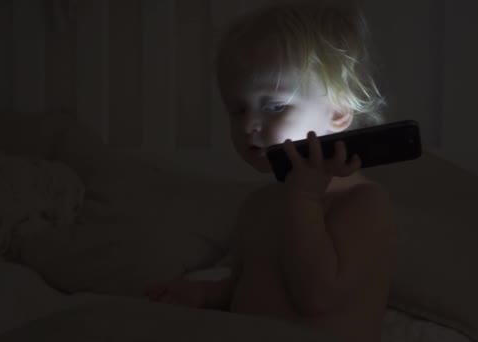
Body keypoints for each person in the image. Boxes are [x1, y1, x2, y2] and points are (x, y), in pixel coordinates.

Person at [145, 3, 397, 341]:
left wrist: (303, 200)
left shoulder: (363, 204)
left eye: (274, 106)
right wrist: (204, 296)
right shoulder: (259, 206)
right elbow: (249, 289)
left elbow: (317, 297)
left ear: (338, 111)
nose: (249, 124)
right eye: (237, 109)